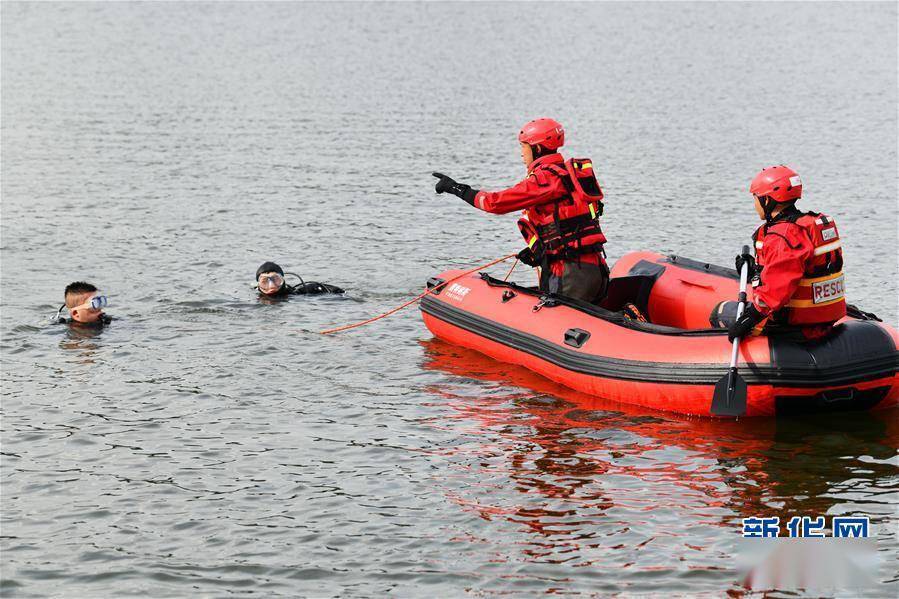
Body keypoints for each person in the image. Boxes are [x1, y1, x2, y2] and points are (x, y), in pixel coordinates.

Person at [432, 118, 610, 303]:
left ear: (537, 149)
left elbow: (495, 203)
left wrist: (457, 189)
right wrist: (539, 251)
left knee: (553, 326)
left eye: (523, 147)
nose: (521, 154)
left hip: (571, 273)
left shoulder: (545, 179)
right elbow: (566, 227)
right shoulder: (567, 174)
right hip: (595, 268)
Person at [711, 165, 846, 341]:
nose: (754, 204)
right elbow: (792, 270)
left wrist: (748, 319)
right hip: (823, 320)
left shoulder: (783, 235)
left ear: (767, 200)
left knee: (720, 313)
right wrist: (754, 271)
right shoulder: (808, 226)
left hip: (794, 327)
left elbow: (775, 291)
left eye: (756, 198)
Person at [255, 261, 344, 297]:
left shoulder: (294, 294)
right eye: (264, 282)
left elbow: (315, 286)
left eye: (276, 280)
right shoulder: (257, 298)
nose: (271, 286)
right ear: (259, 285)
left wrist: (341, 293)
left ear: (283, 281)